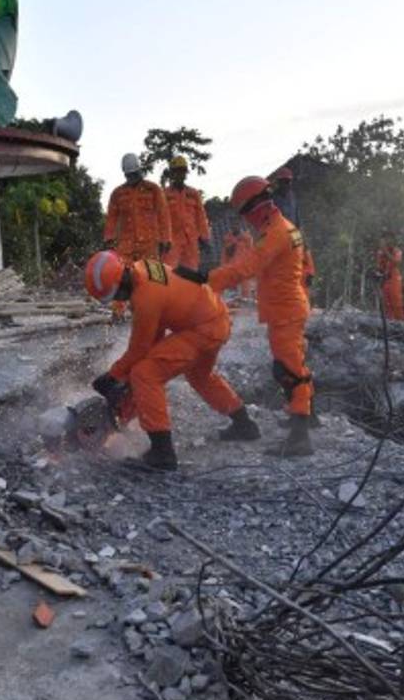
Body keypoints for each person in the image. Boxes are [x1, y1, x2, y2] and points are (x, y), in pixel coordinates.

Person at [83, 250, 260, 471]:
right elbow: (152, 336)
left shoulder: (146, 298)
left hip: (203, 330)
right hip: (215, 319)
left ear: (121, 281)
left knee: (145, 374)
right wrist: (121, 380)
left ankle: (162, 453)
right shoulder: (143, 266)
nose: (120, 300)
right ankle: (245, 425)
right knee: (200, 376)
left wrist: (114, 376)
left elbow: (140, 348)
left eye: (117, 295)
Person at [207, 176, 314, 456]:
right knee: (294, 364)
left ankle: (300, 436)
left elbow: (246, 267)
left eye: (246, 213)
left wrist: (206, 281)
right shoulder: (285, 228)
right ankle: (305, 415)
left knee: (289, 371)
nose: (247, 220)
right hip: (288, 306)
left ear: (257, 206)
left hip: (285, 309)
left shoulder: (276, 233)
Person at [103, 153, 171, 316]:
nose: (132, 177)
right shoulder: (118, 193)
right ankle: (118, 312)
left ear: (139, 171)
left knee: (155, 277)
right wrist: (109, 238)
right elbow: (112, 217)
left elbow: (163, 214)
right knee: (120, 277)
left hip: (150, 243)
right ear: (125, 174)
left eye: (135, 174)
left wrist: (166, 238)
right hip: (126, 245)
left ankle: (157, 311)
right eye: (129, 175)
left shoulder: (153, 189)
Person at [163, 155, 211, 270]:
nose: (180, 174)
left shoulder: (193, 194)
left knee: (191, 273)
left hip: (191, 242)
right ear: (172, 174)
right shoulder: (164, 195)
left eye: (182, 171)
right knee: (169, 273)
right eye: (177, 171)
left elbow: (201, 217)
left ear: (185, 174)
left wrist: (205, 237)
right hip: (171, 242)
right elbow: (159, 218)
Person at [375, 231, 404, 321]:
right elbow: (380, 267)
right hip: (385, 279)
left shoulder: (396, 251)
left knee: (396, 302)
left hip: (394, 278)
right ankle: (390, 322)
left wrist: (386, 252)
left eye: (385, 240)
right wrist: (377, 272)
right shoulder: (380, 253)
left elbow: (396, 262)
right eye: (382, 241)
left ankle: (401, 323)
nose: (383, 243)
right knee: (386, 303)